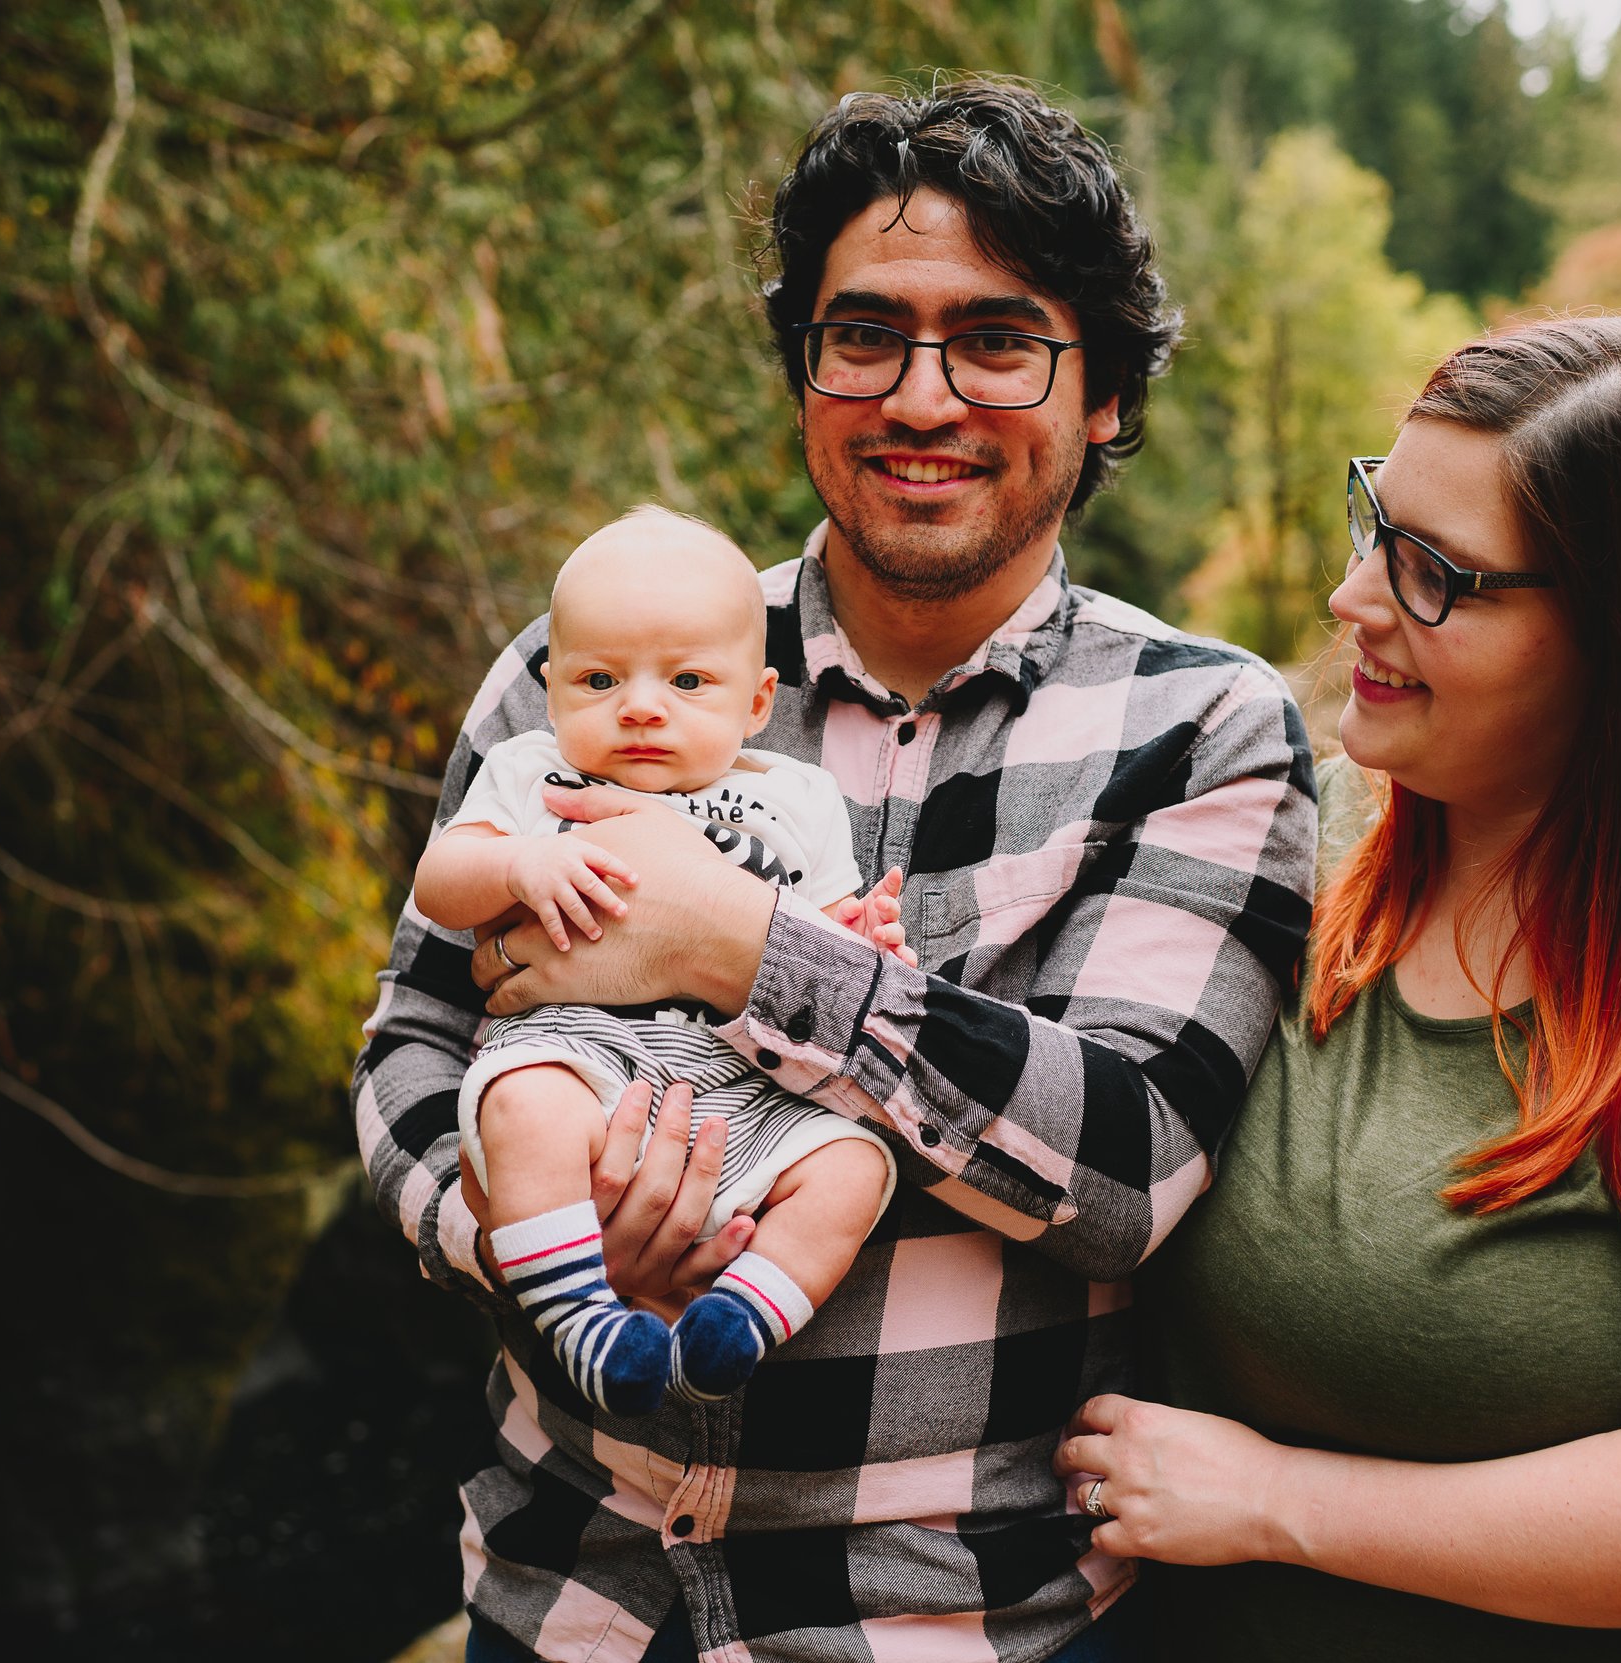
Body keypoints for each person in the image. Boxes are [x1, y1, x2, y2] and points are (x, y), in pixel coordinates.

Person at [353, 78, 1316, 1663]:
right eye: (863, 334)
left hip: (950, 1615)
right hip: (570, 1593)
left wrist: (737, 947)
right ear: (803, 369)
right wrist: (535, 1234)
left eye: (999, 340)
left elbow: (1132, 1162)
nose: (920, 396)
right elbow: (407, 1046)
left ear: (1110, 397)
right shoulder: (592, 667)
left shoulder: (1197, 726)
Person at [1055, 315, 1621, 1660]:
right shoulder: (1305, 865)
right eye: (1377, 519)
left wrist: (1273, 1501)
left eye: (1440, 573)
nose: (1355, 598)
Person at [413, 506, 909, 1416]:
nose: (641, 706)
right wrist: (518, 862)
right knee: (521, 1105)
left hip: (750, 1085)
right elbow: (440, 880)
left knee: (857, 1166)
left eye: (687, 680)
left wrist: (863, 934)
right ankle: (581, 1320)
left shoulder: (793, 798)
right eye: (600, 679)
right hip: (578, 1058)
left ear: (756, 703)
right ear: (552, 688)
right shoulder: (533, 773)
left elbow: (826, 932)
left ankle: (741, 1317)